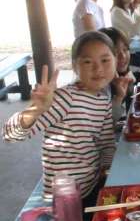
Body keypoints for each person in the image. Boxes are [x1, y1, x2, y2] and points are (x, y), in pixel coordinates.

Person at [2, 31, 116, 202]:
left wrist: (107, 172)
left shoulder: (103, 100)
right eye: (87, 62)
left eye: (105, 60)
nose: (98, 68)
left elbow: (106, 143)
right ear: (75, 66)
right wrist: (35, 110)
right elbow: (10, 135)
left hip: (92, 186)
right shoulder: (65, 99)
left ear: (115, 60)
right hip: (64, 200)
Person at [100, 27, 136, 127]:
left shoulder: (123, 74)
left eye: (125, 49)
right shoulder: (100, 87)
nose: (123, 56)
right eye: (115, 53)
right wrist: (119, 97)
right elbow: (106, 125)